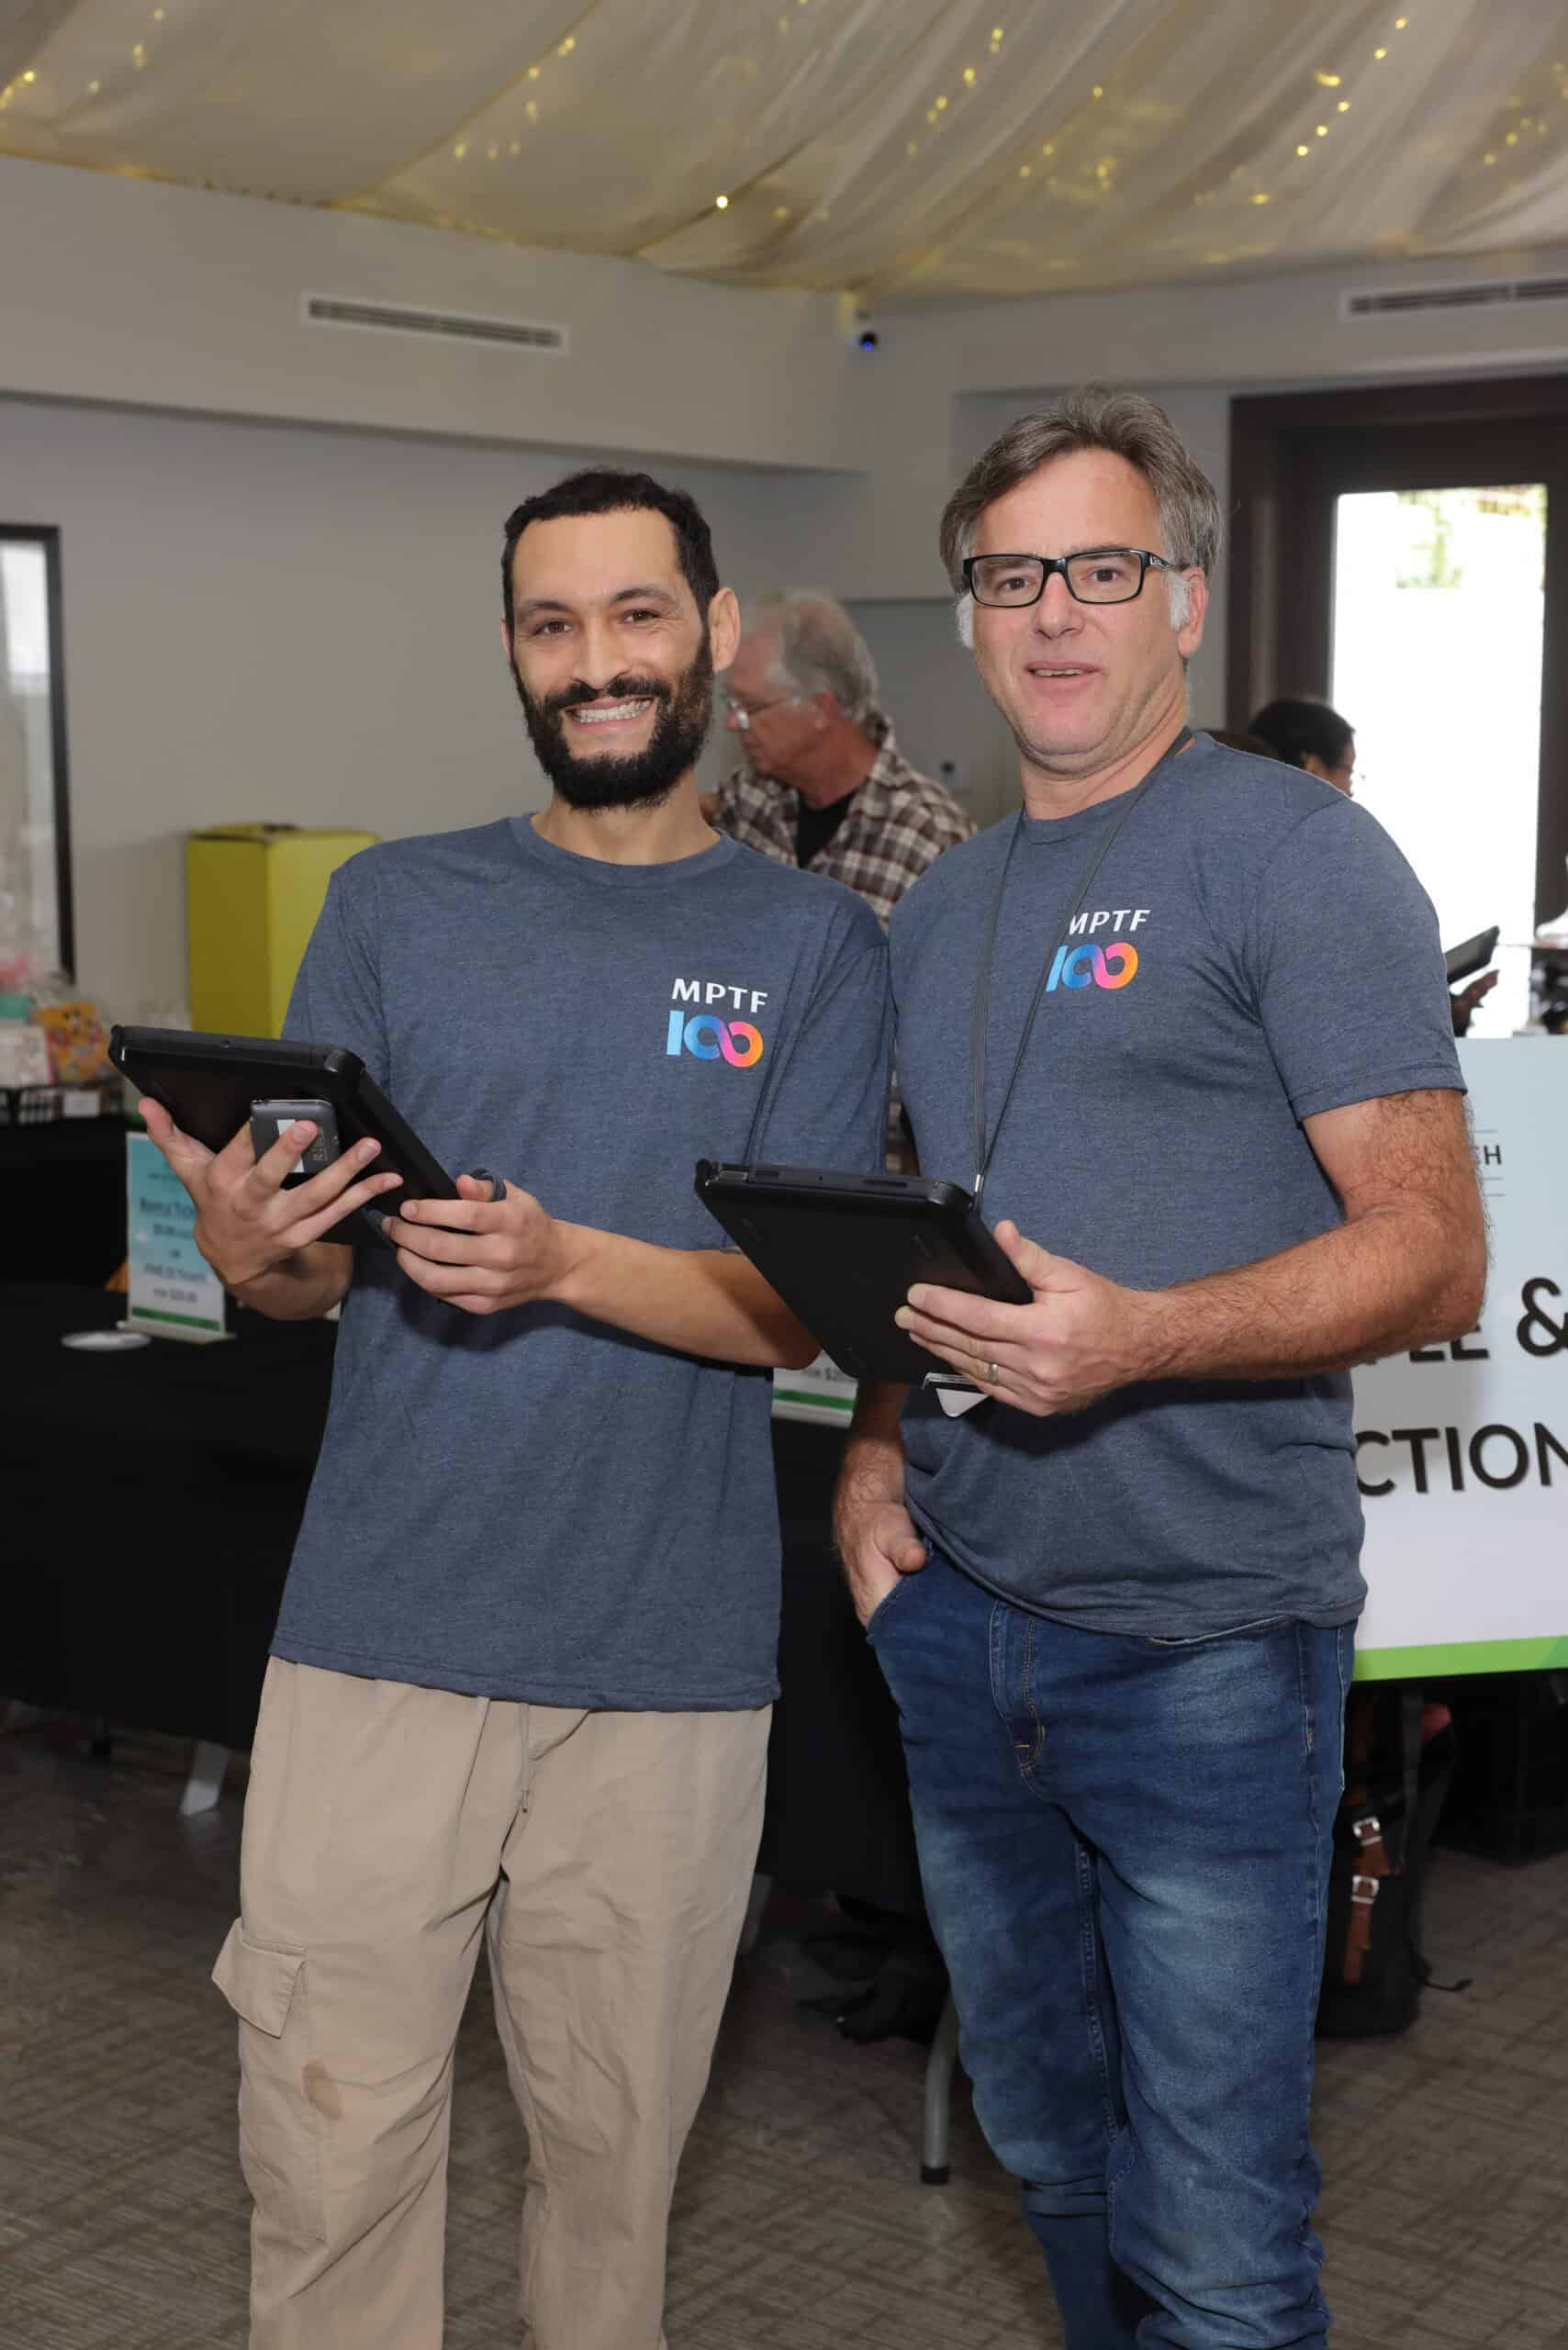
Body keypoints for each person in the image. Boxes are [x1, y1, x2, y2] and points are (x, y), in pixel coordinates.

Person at [138, 468, 891, 2350]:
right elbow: (308, 1276)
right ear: (510, 653)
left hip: (665, 1669)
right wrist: (249, 1238)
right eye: (552, 627)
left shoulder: (816, 952)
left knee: (608, 2185)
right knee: (326, 2165)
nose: (596, 663)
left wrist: (562, 1264)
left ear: (709, 636)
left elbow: (795, 1311)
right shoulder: (395, 905)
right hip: (379, 1640)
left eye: (635, 617)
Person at [834, 389, 1485, 2350]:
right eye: (1012, 573)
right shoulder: (936, 900)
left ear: (1180, 600)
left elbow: (1431, 1251)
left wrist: (1139, 1339)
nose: (1053, 611)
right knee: (1049, 2147)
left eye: (1099, 568)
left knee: (1210, 2228)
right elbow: (914, 1230)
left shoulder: (1294, 857)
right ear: (967, 612)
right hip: (962, 1626)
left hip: (1204, 1643)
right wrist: (874, 1458)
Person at [706, 590, 971, 925]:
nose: (733, 722)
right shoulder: (752, 795)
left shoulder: (932, 838)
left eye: (751, 707)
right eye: (732, 704)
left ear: (820, 708)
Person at [1250, 694, 1498, 1033]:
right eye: (1347, 771)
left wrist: (1440, 1010)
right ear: (1310, 764)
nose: (1350, 791)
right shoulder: (1302, 865)